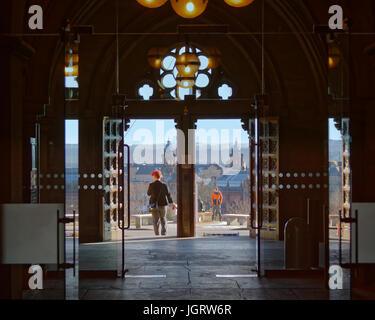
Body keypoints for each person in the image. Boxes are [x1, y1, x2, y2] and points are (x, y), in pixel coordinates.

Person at [147, 170, 176, 236]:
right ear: (160, 177)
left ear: (154, 176)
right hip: (163, 205)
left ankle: (157, 234)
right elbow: (168, 195)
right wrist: (171, 203)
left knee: (155, 221)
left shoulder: (151, 185)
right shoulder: (164, 185)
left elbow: (148, 194)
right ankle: (164, 234)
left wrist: (149, 186)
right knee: (163, 219)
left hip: (153, 206)